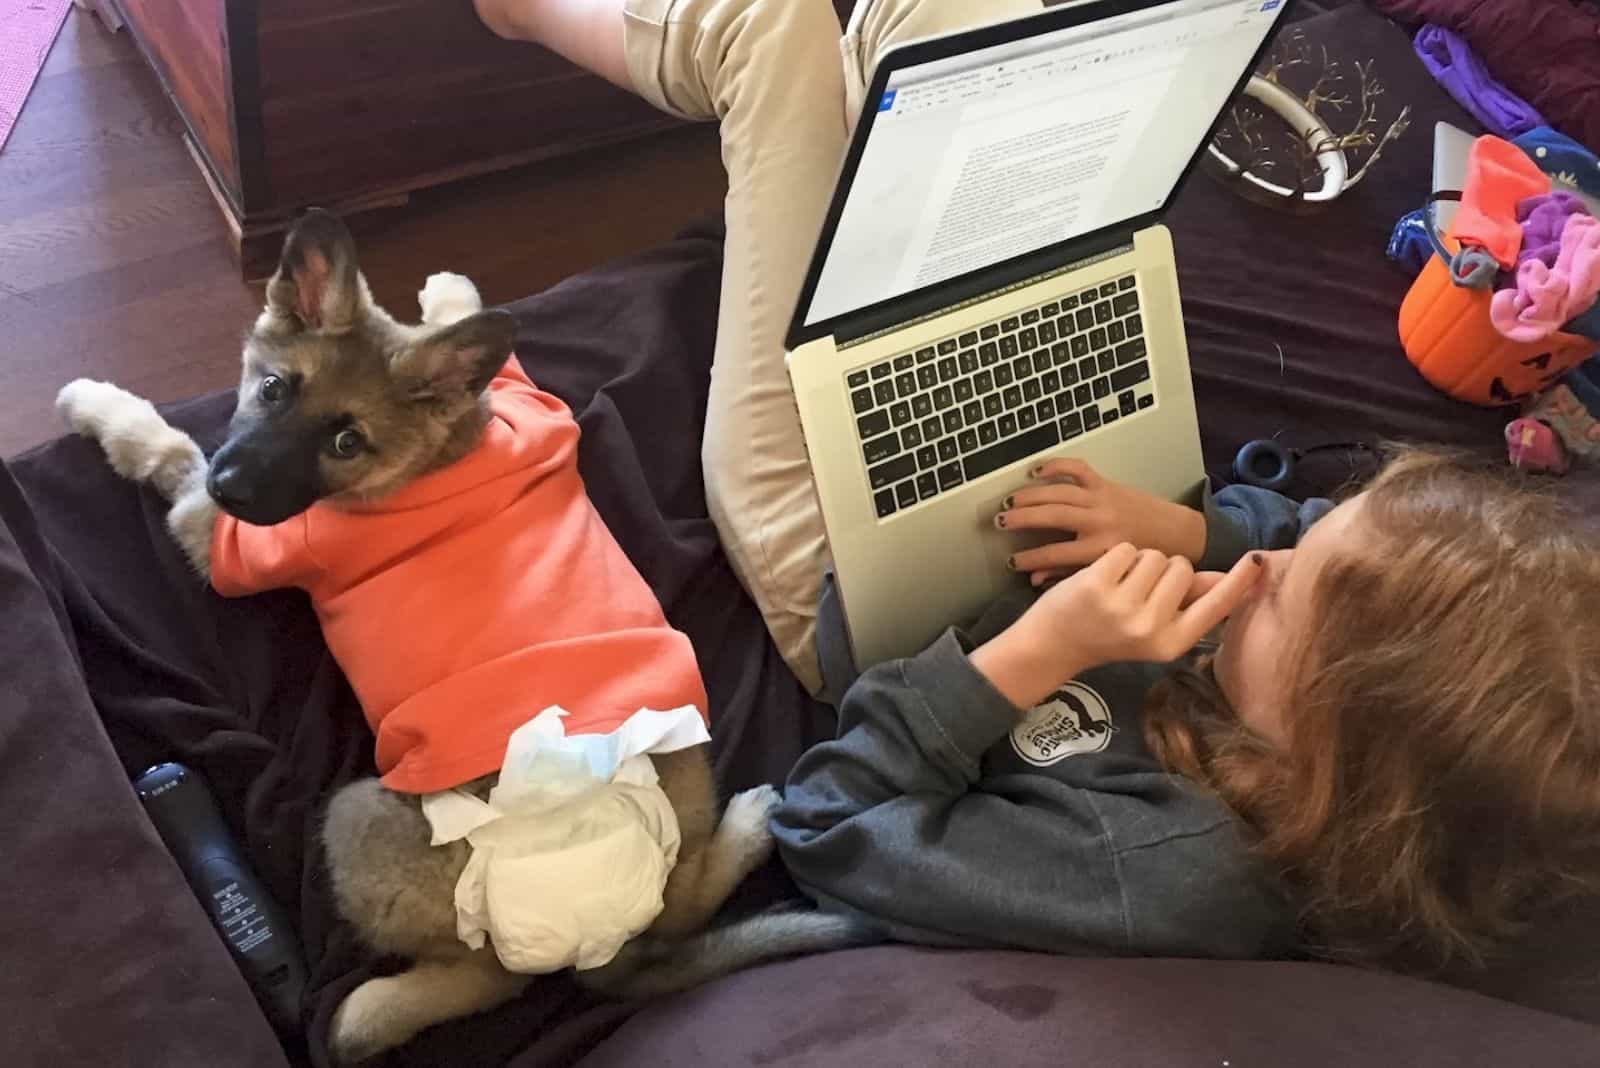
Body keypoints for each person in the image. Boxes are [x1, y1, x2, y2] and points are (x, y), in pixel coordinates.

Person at [473, 0, 1600, 972]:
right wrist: (1186, 523)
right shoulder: (1319, 648)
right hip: (1048, 488)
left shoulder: (1159, 877)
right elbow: (1304, 539)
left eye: (1275, 594)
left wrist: (1031, 656)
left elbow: (829, 824)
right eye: (1297, 548)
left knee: (767, 33)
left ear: (1323, 761)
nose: (1257, 560)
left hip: (852, 580)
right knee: (927, 38)